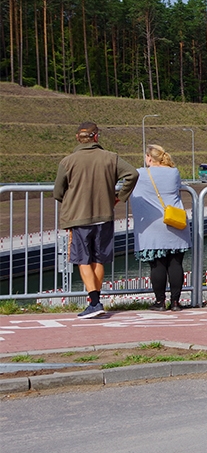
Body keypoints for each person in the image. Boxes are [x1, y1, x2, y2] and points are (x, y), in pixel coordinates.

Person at [54, 121, 139, 318]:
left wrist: (70, 199)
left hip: (78, 217)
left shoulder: (68, 161)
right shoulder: (111, 158)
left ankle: (94, 302)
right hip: (104, 216)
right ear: (96, 137)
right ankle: (96, 301)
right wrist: (119, 197)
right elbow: (132, 174)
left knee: (82, 259)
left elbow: (58, 191)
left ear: (77, 138)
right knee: (99, 259)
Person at [131, 145, 192, 311]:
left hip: (152, 225)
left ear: (149, 158)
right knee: (176, 264)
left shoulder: (141, 174)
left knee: (157, 265)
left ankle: (160, 302)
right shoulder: (174, 172)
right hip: (175, 222)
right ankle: (175, 302)